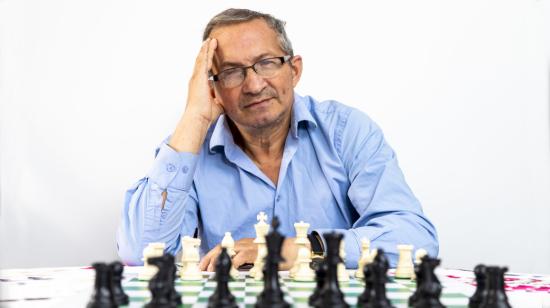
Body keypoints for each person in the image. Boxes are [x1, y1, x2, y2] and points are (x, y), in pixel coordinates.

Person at [116, 8, 438, 270]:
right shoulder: (189, 148)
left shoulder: (347, 132)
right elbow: (143, 253)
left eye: (266, 63)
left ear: (294, 70)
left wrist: (298, 249)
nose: (254, 85)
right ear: (213, 89)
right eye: (231, 72)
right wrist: (193, 118)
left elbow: (416, 239)